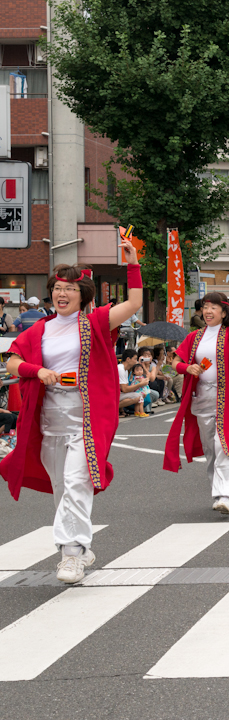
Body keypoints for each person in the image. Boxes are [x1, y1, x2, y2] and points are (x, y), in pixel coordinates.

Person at [0, 240, 144, 583]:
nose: (61, 294)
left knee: (77, 481)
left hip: (86, 422)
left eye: (69, 289)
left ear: (82, 295)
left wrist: (133, 263)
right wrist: (38, 372)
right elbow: (13, 360)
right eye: (57, 289)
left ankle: (71, 554)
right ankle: (80, 546)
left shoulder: (96, 323)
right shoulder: (38, 329)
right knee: (62, 489)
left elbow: (135, 301)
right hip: (49, 421)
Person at [164, 284, 229, 515]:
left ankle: (225, 495)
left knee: (222, 445)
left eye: (213, 307)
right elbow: (174, 361)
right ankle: (219, 490)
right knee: (210, 449)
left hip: (227, 398)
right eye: (205, 307)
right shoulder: (194, 336)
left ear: (224, 313)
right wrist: (186, 367)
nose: (208, 311)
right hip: (201, 398)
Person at [117, 349, 145, 416]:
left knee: (139, 394)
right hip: (112, 394)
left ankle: (119, 410)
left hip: (116, 393)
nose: (136, 361)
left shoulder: (125, 370)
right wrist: (140, 384)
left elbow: (125, 389)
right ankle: (112, 409)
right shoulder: (121, 369)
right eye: (135, 359)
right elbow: (125, 389)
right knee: (137, 396)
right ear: (128, 359)